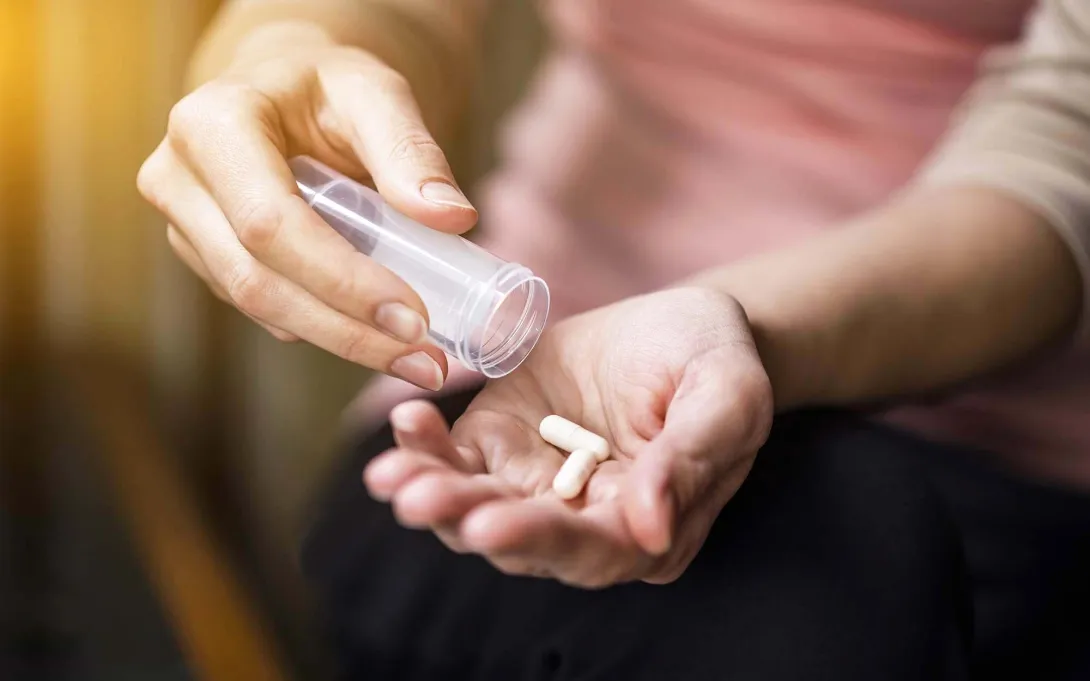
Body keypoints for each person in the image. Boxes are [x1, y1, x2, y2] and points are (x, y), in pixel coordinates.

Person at [138, 1, 1090, 679]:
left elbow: (1061, 158)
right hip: (531, 382)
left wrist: (734, 326)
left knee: (862, 539)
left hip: (1008, 425)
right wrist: (287, 50)